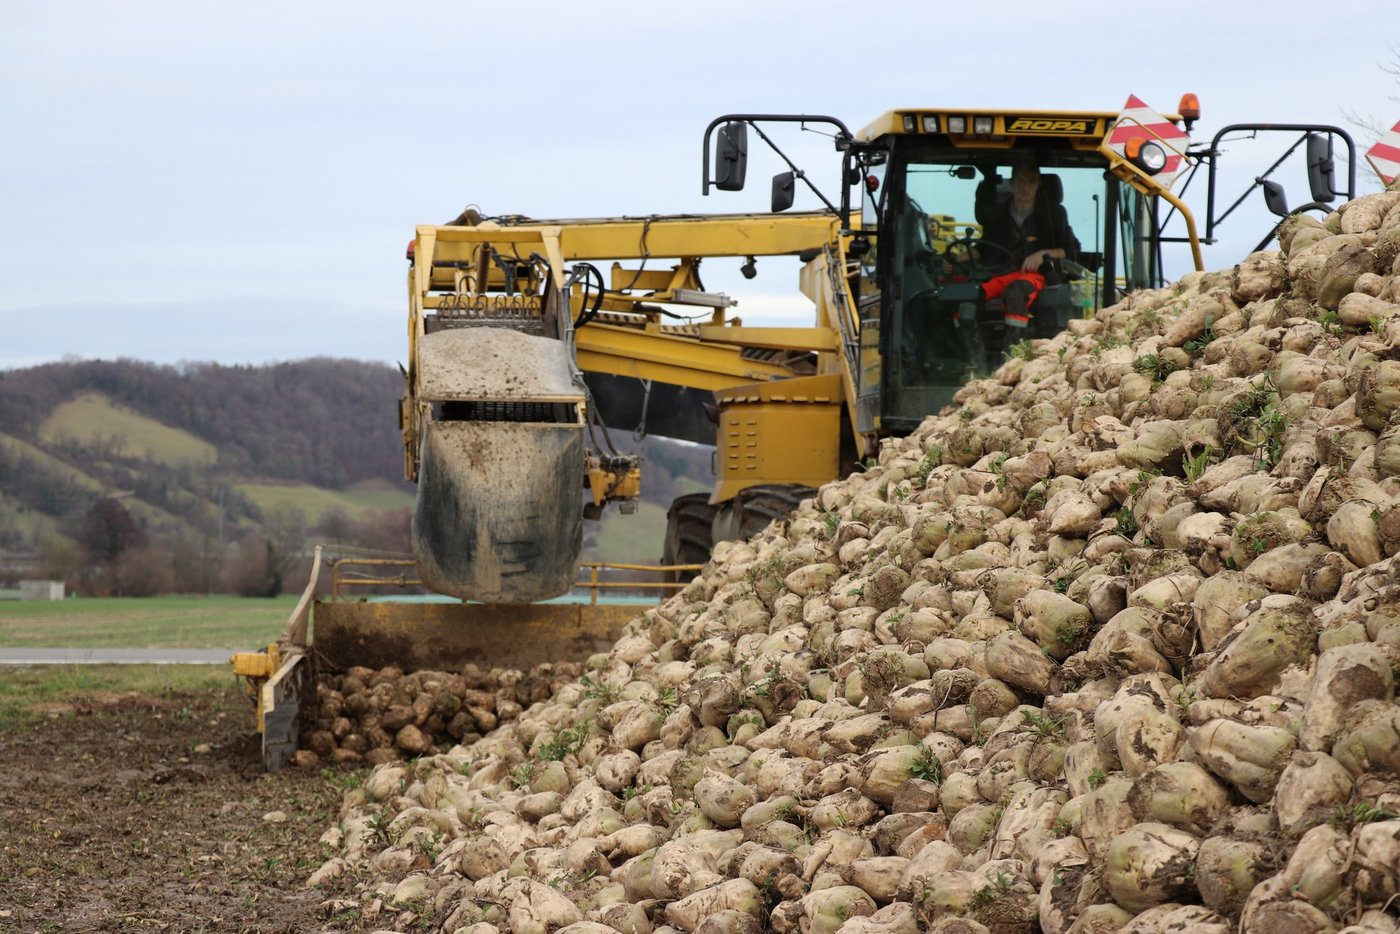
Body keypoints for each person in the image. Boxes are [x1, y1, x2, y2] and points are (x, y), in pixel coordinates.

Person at [976, 159, 1080, 347]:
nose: (1026, 188)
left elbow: (1070, 251)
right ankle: (972, 359)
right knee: (970, 294)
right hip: (999, 273)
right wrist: (954, 259)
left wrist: (1042, 254)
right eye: (1021, 181)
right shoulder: (997, 214)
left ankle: (1012, 355)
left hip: (1034, 276)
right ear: (1012, 183)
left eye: (1031, 182)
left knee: (1016, 292)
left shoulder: (1053, 215)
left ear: (1039, 184)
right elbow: (983, 248)